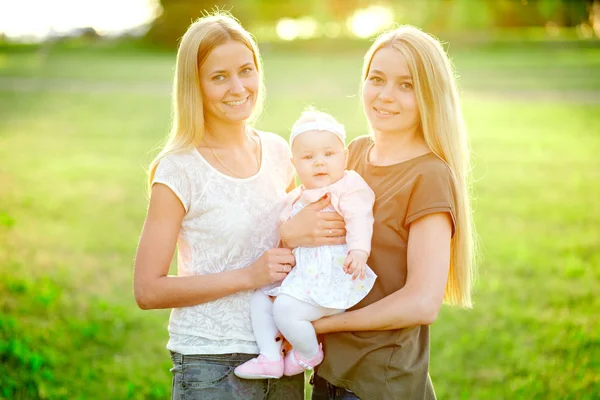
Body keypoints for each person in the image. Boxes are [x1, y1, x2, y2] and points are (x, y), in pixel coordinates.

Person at [133, 12, 346, 400]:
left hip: (282, 353)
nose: (237, 87)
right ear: (194, 85)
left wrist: (293, 239)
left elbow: (287, 252)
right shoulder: (178, 168)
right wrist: (248, 276)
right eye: (219, 77)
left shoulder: (282, 152)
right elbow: (148, 289)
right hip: (212, 364)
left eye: (246, 70)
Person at [280, 25, 477, 400]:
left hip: (378, 383)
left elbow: (421, 302)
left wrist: (323, 324)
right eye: (377, 79)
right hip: (328, 373)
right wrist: (291, 233)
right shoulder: (350, 153)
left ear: (429, 96)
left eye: (406, 85)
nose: (386, 96)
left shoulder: (429, 175)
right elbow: (299, 227)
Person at [233, 109, 377, 380]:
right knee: (262, 299)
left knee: (285, 310)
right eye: (308, 157)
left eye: (328, 154)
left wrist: (359, 251)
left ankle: (309, 353)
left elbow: (360, 217)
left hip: (333, 279)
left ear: (344, 157)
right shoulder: (296, 197)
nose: (319, 163)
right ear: (294, 164)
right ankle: (270, 357)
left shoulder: (346, 188)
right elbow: (284, 235)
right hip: (304, 278)